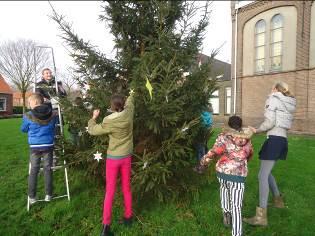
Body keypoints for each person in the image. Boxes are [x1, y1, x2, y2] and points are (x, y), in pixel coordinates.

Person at [243, 81, 296, 227]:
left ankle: (261, 217)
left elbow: (270, 122)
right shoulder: (288, 102)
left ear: (275, 89)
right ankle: (278, 200)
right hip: (282, 140)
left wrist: (257, 130)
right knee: (266, 172)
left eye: (271, 87)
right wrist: (258, 126)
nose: (270, 89)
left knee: (262, 176)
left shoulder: (273, 98)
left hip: (273, 139)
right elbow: (275, 120)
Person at [88, 90, 135, 236]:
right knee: (126, 188)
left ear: (112, 107)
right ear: (123, 103)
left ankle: (106, 227)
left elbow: (93, 130)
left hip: (113, 159)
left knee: (110, 191)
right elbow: (131, 100)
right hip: (127, 156)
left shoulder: (109, 120)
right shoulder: (129, 112)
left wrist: (93, 118)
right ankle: (128, 217)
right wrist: (132, 91)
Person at [198, 116, 254, 236]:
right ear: (240, 125)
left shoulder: (223, 136)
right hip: (238, 176)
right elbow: (249, 154)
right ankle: (237, 232)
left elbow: (213, 152)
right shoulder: (247, 139)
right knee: (236, 205)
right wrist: (241, 163)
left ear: (229, 125)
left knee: (224, 189)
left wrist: (203, 162)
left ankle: (226, 215)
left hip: (222, 172)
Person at [21, 93, 59, 204]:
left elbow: (23, 129)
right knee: (48, 169)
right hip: (48, 145)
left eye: (30, 102)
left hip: (35, 147)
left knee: (34, 170)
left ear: (36, 102)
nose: (29, 104)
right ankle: (49, 195)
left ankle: (32, 197)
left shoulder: (28, 115)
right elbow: (54, 125)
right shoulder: (53, 114)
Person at [193, 103, 213, 174]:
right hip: (206, 135)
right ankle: (203, 165)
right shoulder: (209, 115)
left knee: (200, 150)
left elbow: (200, 125)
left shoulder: (199, 115)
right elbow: (210, 125)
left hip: (199, 134)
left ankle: (201, 167)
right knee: (203, 148)